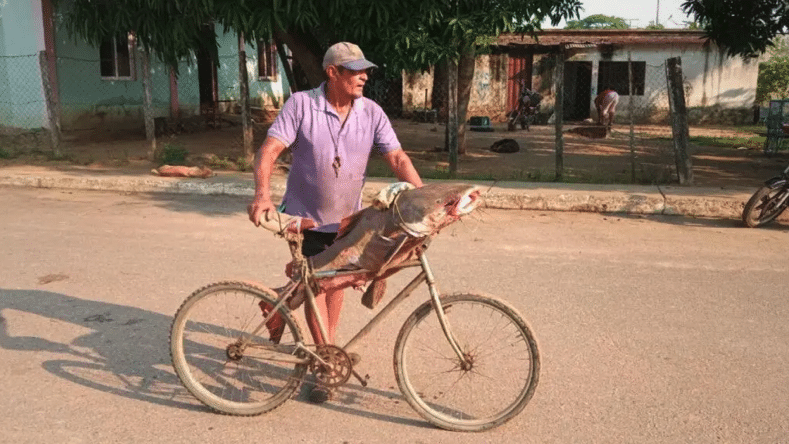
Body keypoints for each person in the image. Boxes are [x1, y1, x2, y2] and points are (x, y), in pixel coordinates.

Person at [247, 42, 423, 403]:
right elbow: (269, 150)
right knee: (317, 286)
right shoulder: (301, 105)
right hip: (306, 217)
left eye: (365, 70)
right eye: (355, 70)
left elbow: (397, 157)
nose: (364, 76)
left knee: (336, 283)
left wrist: (423, 200)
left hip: (347, 219)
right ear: (332, 73)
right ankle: (324, 360)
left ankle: (296, 318)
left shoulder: (371, 112)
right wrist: (262, 195)